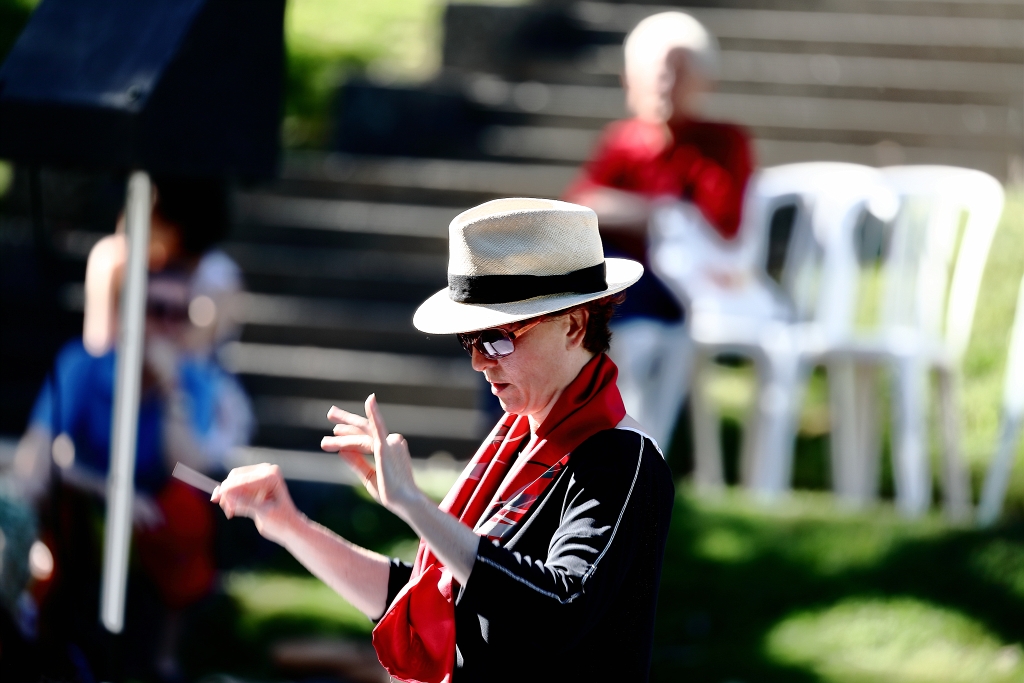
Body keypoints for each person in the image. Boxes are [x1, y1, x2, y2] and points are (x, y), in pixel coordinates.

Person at [214, 198, 675, 682]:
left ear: (574, 326)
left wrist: (414, 505)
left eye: (497, 338)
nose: (479, 361)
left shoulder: (622, 458)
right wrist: (290, 526)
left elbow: (558, 609)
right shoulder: (516, 444)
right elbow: (429, 597)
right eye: (469, 340)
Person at [9, 176, 252, 682]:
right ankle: (31, 623)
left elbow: (193, 468)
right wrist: (109, 489)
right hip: (89, 492)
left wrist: (172, 395)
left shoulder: (191, 380)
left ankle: (164, 655)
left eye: (176, 313)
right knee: (38, 502)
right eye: (151, 309)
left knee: (189, 508)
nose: (164, 324)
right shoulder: (83, 364)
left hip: (155, 504)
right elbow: (42, 455)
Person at [563, 11, 755, 451]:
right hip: (620, 280)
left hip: (674, 290)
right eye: (655, 70)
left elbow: (721, 224)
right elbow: (581, 204)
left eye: (679, 69)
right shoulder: (624, 141)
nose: (665, 81)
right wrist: (660, 211)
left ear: (703, 80)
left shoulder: (722, 142)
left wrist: (638, 213)